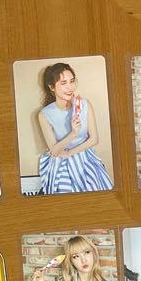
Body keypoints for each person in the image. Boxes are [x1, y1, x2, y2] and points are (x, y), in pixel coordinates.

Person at [36, 62, 114, 194]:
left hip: (84, 156)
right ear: (52, 87)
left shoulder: (85, 105)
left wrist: (70, 153)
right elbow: (54, 151)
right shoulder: (44, 115)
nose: (70, 87)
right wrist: (73, 133)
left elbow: (94, 139)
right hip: (61, 160)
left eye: (72, 81)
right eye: (63, 83)